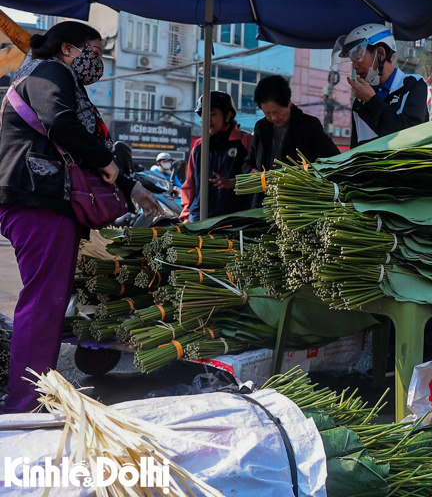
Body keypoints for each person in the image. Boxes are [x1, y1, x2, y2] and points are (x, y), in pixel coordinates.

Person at [0, 21, 161, 413]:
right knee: (43, 300)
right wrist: (111, 167)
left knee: (49, 300)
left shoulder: (44, 74)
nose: (99, 59)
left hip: (41, 200)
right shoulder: (49, 71)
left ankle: (36, 395)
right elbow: (62, 123)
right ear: (70, 49)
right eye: (96, 50)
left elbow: (77, 141)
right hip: (36, 199)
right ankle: (25, 403)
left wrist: (127, 184)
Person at [242, 75, 339, 207]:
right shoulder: (261, 128)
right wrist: (252, 171)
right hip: (264, 204)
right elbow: (248, 162)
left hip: (298, 205)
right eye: (267, 113)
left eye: (277, 112)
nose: (273, 118)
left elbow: (333, 161)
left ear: (288, 102)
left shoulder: (309, 126)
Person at [342, 23, 429, 147]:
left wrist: (373, 101)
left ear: (381, 54)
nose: (355, 65)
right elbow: (355, 151)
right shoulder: (360, 103)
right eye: (352, 61)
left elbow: (410, 135)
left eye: (359, 57)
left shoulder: (412, 84)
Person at [180, 91, 254, 222]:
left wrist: (232, 183)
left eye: (213, 114)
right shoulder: (198, 146)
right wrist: (186, 214)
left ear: (228, 115)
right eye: (204, 115)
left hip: (235, 222)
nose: (208, 120)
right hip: (199, 220)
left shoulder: (246, 142)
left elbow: (257, 179)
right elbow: (190, 185)